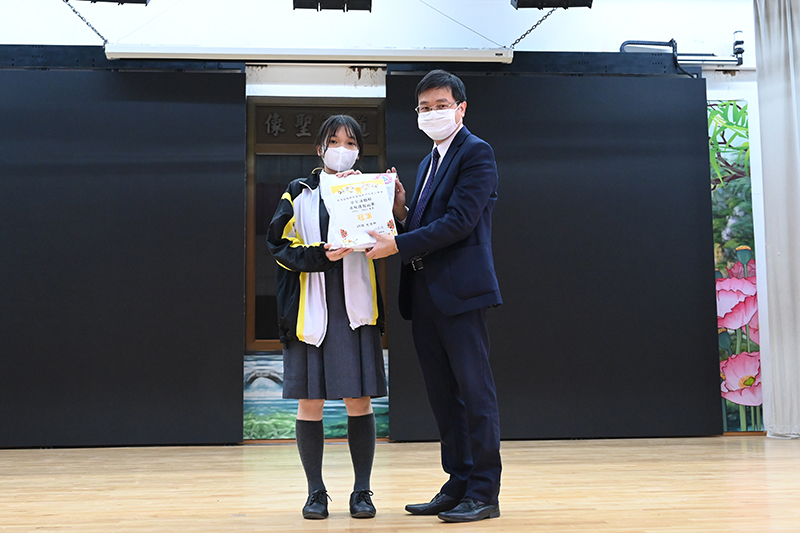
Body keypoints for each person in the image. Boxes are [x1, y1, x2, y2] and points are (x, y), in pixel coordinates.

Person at [367, 69, 503, 523]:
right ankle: (458, 483)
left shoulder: (476, 152)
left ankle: (484, 492)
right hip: (424, 292)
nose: (432, 114)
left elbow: (460, 222)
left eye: (441, 106)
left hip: (461, 292)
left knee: (475, 393)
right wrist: (401, 210)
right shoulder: (429, 162)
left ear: (461, 108)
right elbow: (427, 225)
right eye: (424, 108)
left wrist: (396, 244)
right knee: (444, 398)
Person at [267, 115, 392, 520]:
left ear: (359, 151)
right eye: (334, 141)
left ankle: (362, 492)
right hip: (310, 307)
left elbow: (390, 235)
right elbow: (278, 244)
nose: (342, 149)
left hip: (355, 307)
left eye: (350, 142)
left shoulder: (369, 189)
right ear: (319, 148)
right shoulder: (298, 192)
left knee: (359, 400)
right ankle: (315, 493)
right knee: (310, 401)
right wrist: (320, 255)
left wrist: (390, 205)